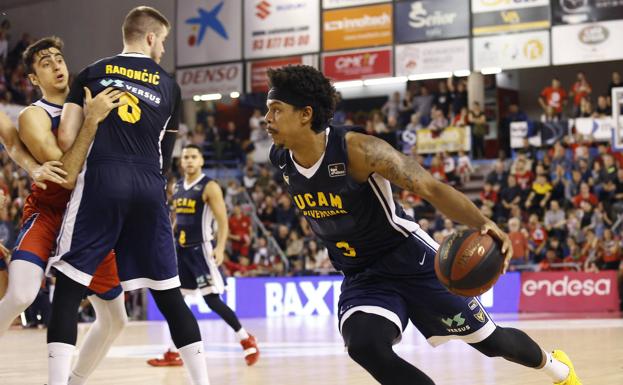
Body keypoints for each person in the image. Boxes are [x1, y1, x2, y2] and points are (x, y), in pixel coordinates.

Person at [264, 65, 581, 385]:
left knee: (492, 343)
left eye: (276, 110)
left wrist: (484, 223)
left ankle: (560, 371)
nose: (267, 119)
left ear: (305, 114)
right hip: (361, 273)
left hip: (411, 259)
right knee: (365, 345)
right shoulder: (281, 159)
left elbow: (430, 188)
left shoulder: (359, 150)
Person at [45, 7, 209, 385]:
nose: (163, 49)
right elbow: (166, 157)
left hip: (103, 177)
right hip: (149, 186)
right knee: (170, 297)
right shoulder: (169, 85)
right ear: (150, 38)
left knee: (69, 290)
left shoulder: (90, 73)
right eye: (163, 41)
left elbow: (68, 139)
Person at [0, 37, 129, 385]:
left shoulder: (92, 103)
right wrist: (92, 122)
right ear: (33, 79)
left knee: (117, 320)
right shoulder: (33, 115)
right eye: (45, 62)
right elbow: (66, 175)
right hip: (49, 212)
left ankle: (73, 382)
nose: (57, 65)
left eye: (59, 57)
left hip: (91, 219)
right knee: (22, 294)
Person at [148, 144, 259, 367]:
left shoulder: (210, 186)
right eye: (186, 157)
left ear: (201, 161)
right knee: (177, 302)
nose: (189, 160)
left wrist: (220, 247)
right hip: (182, 250)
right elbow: (178, 218)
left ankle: (246, 339)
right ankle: (173, 352)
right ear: (182, 162)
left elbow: (222, 220)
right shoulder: (178, 186)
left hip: (201, 250)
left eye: (193, 157)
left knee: (212, 300)